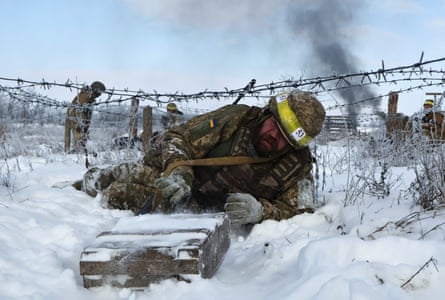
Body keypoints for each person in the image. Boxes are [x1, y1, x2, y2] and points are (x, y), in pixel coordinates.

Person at [79, 89, 326, 226]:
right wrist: (180, 175)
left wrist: (261, 211)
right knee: (119, 175)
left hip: (199, 208)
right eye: (274, 125)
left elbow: (301, 211)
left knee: (118, 194)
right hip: (180, 182)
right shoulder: (237, 118)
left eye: (284, 138)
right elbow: (179, 139)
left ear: (294, 145)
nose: (274, 137)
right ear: (266, 114)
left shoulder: (297, 166)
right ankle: (89, 181)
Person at [65, 81, 106, 153]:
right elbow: (80, 110)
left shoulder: (89, 95)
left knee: (80, 137)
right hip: (75, 118)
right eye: (100, 92)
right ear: (96, 90)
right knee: (79, 136)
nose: (100, 95)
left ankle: (72, 151)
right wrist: (81, 124)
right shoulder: (85, 96)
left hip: (76, 118)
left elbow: (86, 112)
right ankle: (76, 152)